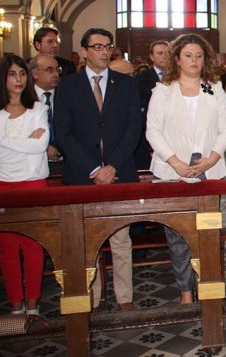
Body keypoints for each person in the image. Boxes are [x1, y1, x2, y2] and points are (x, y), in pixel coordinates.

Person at [54, 28, 141, 311]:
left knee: (120, 237)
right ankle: (90, 297)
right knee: (85, 242)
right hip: (83, 175)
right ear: (84, 52)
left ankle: (125, 298)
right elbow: (64, 134)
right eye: (98, 47)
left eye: (108, 47)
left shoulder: (125, 84)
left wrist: (113, 165)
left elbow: (133, 128)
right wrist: (94, 169)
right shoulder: (68, 86)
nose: (104, 52)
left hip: (120, 171)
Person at [146, 34, 226, 304]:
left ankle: (207, 287)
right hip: (172, 171)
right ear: (177, 59)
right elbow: (153, 131)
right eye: (188, 55)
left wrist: (211, 158)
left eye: (199, 56)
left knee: (207, 233)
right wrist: (176, 162)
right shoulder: (164, 90)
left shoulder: (212, 88)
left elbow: (224, 128)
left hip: (208, 169)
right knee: (178, 235)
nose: (194, 61)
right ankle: (185, 291)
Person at [0, 55, 49, 318]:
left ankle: (33, 303)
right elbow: (27, 145)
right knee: (7, 246)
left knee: (32, 244)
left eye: (21, 73)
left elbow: (39, 146)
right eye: (11, 74)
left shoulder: (37, 109)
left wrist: (4, 141)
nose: (18, 79)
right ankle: (15, 304)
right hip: (3, 183)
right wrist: (22, 140)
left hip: (33, 181)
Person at [135, 40, 169, 170]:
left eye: (167, 53)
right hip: (149, 130)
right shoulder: (141, 78)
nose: (164, 56)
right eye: (160, 53)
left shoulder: (180, 76)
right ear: (151, 56)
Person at [29, 54, 63, 174]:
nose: (56, 74)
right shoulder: (25, 98)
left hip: (64, 162)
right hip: (32, 165)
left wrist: (58, 147)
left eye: (57, 70)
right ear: (35, 74)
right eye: (49, 70)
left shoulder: (66, 96)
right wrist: (43, 148)